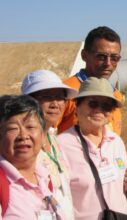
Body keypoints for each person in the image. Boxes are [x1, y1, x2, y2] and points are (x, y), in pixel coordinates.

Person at [57, 77, 127, 220]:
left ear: (111, 113)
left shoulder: (116, 142)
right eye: (93, 103)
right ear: (77, 107)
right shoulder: (62, 146)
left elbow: (118, 186)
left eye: (106, 106)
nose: (99, 110)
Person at [21, 69, 78, 219]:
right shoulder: (18, 145)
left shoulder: (54, 139)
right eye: (47, 97)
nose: (55, 104)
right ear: (28, 101)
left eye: (60, 97)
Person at [0, 95, 65, 219]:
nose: (23, 135)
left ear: (42, 134)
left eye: (30, 127)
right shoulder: (3, 184)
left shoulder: (44, 177)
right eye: (13, 128)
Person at [58, 26, 123, 135]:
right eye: (101, 57)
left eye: (114, 58)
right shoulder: (65, 92)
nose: (108, 63)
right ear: (84, 56)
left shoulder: (115, 95)